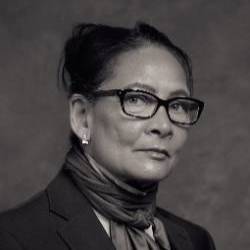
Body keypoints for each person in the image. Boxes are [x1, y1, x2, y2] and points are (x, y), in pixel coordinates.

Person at [0, 22, 216, 250]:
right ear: (82, 117)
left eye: (178, 104)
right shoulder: (12, 238)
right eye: (136, 99)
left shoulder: (196, 241)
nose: (163, 126)